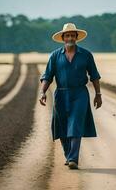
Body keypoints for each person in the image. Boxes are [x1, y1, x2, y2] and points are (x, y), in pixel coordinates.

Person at [39, 23, 102, 169]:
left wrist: (98, 94)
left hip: (80, 94)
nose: (70, 38)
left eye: (73, 35)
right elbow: (47, 76)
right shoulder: (55, 56)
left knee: (75, 125)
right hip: (61, 94)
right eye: (67, 35)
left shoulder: (86, 55)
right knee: (62, 127)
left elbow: (94, 76)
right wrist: (42, 92)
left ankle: (73, 158)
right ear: (63, 38)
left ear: (76, 38)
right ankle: (68, 155)